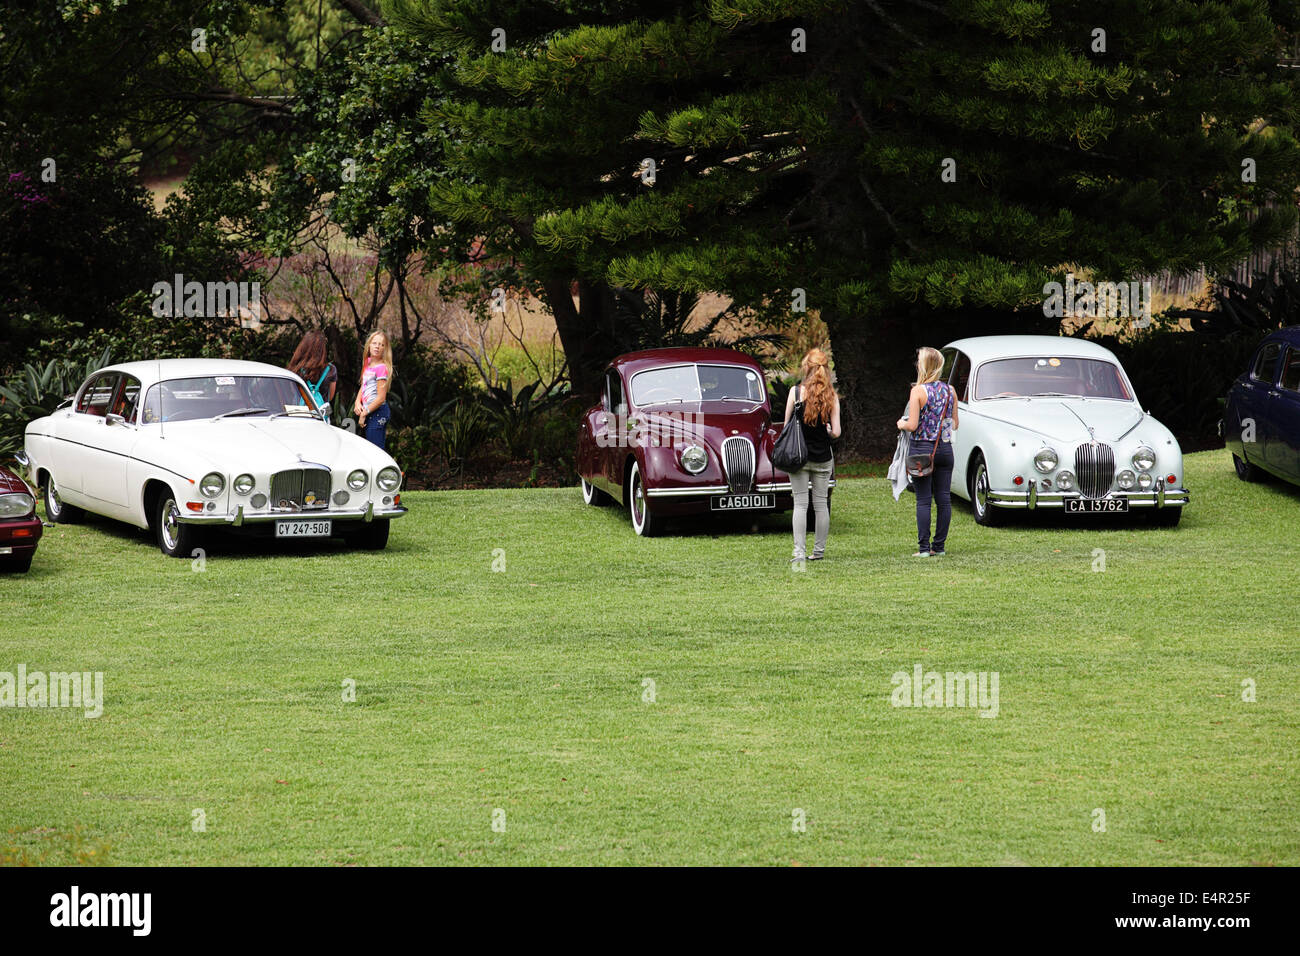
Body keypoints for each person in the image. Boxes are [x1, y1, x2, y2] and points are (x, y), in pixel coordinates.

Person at [896, 347, 959, 557]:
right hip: (945, 448)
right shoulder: (950, 391)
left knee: (923, 500)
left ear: (923, 366)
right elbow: (955, 424)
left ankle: (923, 548)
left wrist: (901, 424)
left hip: (922, 450)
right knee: (943, 499)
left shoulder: (918, 391)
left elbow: (913, 424)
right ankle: (939, 547)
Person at [784, 348, 841, 563]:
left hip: (798, 456)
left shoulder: (796, 393)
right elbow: (836, 432)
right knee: (820, 504)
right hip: (823, 457)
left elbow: (787, 424)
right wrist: (825, 431)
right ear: (825, 369)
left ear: (806, 368)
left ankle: (798, 553)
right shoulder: (832, 396)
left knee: (800, 504)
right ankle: (818, 551)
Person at [355, 330, 393, 449]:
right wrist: (357, 402)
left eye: (381, 344)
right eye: (375, 343)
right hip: (369, 411)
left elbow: (381, 398)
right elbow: (364, 384)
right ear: (369, 344)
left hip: (377, 412)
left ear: (385, 349)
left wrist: (364, 413)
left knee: (376, 451)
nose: (377, 346)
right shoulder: (368, 361)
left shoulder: (381, 368)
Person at [287, 330, 337, 411]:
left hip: (297, 413)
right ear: (323, 349)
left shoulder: (296, 368)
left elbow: (289, 393)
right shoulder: (331, 370)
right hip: (320, 415)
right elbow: (330, 397)